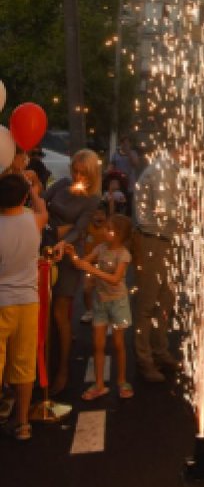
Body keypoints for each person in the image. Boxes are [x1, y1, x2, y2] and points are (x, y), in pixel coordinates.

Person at [45, 149, 102, 394]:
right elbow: (40, 200)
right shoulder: (63, 184)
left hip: (67, 254)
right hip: (44, 245)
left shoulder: (92, 198)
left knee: (60, 311)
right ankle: (45, 364)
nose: (78, 176)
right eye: (75, 170)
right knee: (43, 311)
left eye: (83, 172)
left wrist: (63, 239)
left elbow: (79, 229)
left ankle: (63, 370)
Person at [0, 173, 47, 440]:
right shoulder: (34, 221)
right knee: (24, 363)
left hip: (1, 301)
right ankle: (23, 424)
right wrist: (35, 191)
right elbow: (42, 209)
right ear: (24, 197)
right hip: (28, 302)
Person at [71, 214, 134, 400]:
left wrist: (92, 270)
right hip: (100, 302)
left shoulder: (123, 254)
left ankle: (122, 380)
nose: (105, 232)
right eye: (105, 228)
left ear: (120, 235)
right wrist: (71, 253)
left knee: (118, 344)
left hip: (118, 303)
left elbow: (115, 279)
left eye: (109, 229)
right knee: (98, 345)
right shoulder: (100, 248)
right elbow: (82, 263)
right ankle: (99, 384)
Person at [133, 148, 180, 382]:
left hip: (167, 240)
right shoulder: (163, 170)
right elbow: (165, 209)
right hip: (153, 241)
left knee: (165, 301)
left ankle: (160, 351)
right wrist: (198, 214)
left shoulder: (174, 169)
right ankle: (145, 360)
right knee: (148, 303)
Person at [110, 136, 141, 213]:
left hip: (130, 185)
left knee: (128, 207)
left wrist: (128, 153)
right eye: (123, 143)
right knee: (118, 205)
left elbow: (136, 163)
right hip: (119, 185)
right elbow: (111, 166)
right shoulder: (115, 155)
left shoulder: (133, 153)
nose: (125, 145)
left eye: (127, 143)